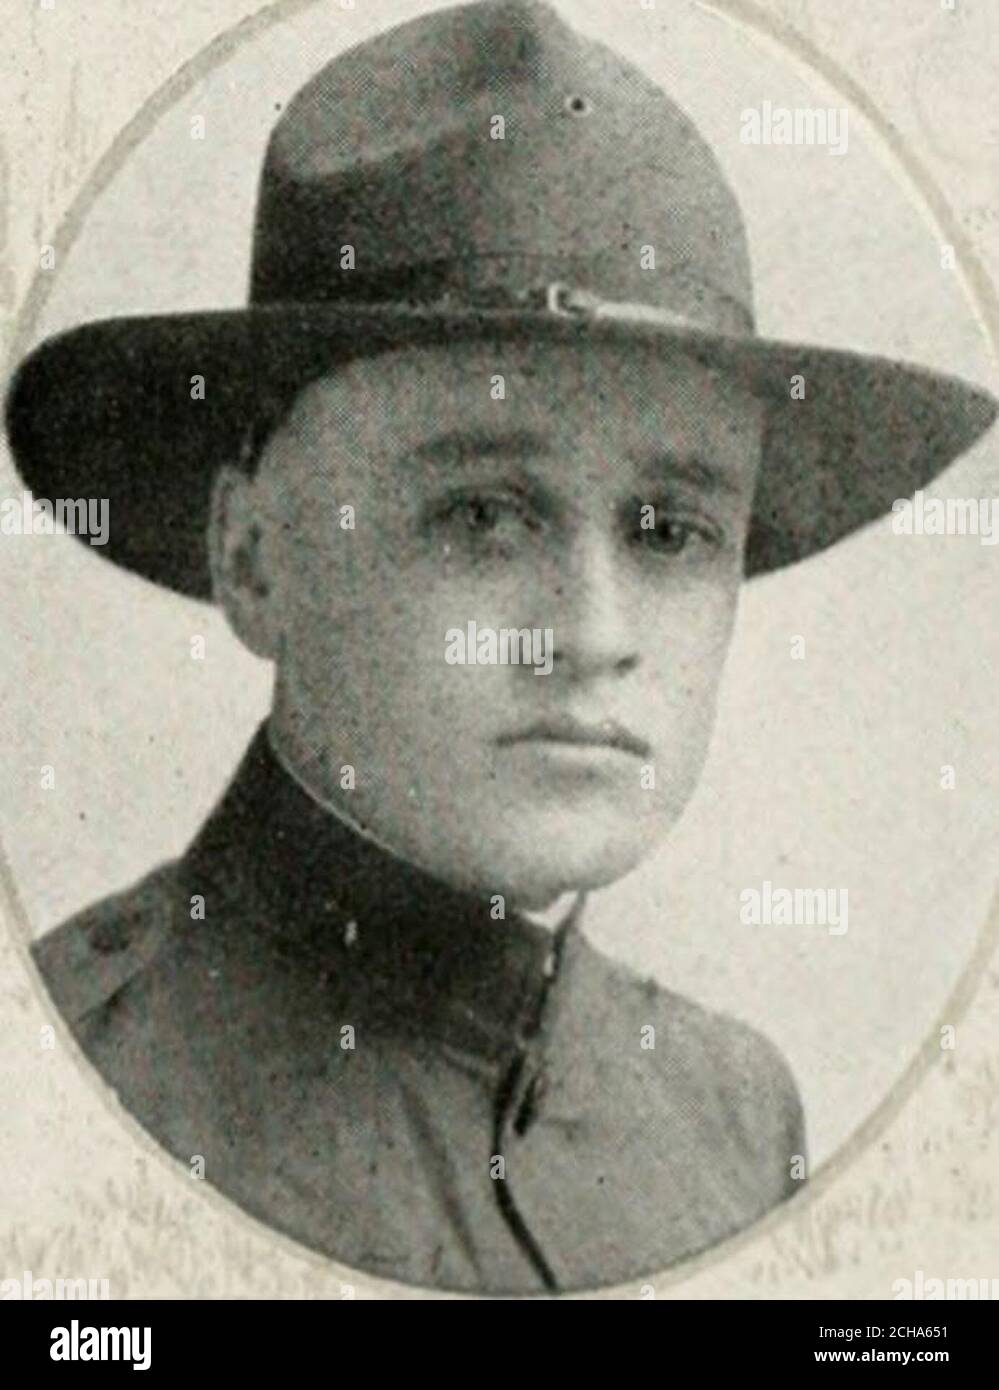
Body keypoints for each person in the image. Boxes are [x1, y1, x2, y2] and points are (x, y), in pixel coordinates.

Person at [5, 0, 995, 1294]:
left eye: (670, 528)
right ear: (254, 557)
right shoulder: (66, 1085)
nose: (592, 636)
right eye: (481, 511)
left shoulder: (735, 1121)